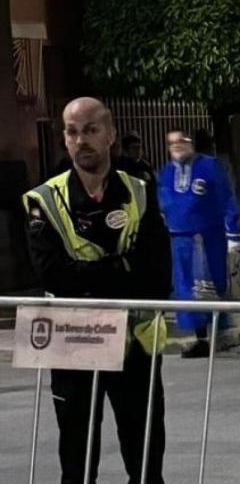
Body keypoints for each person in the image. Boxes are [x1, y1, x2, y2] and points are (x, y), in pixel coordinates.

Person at [23, 97, 171, 484]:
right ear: (65, 139)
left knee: (145, 461)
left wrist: (88, 273)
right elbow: (52, 275)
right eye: (73, 131)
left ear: (110, 135)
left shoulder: (139, 191)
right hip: (75, 345)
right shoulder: (44, 200)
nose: (81, 139)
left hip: (133, 345)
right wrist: (121, 266)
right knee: (77, 461)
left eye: (90, 130)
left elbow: (158, 274)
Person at [158, 129, 240, 358]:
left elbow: (226, 199)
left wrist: (233, 234)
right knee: (186, 291)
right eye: (171, 142)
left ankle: (220, 332)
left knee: (211, 285)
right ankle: (200, 338)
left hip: (207, 239)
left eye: (181, 141)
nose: (176, 146)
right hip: (179, 240)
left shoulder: (209, 166)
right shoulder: (166, 172)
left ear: (191, 143)